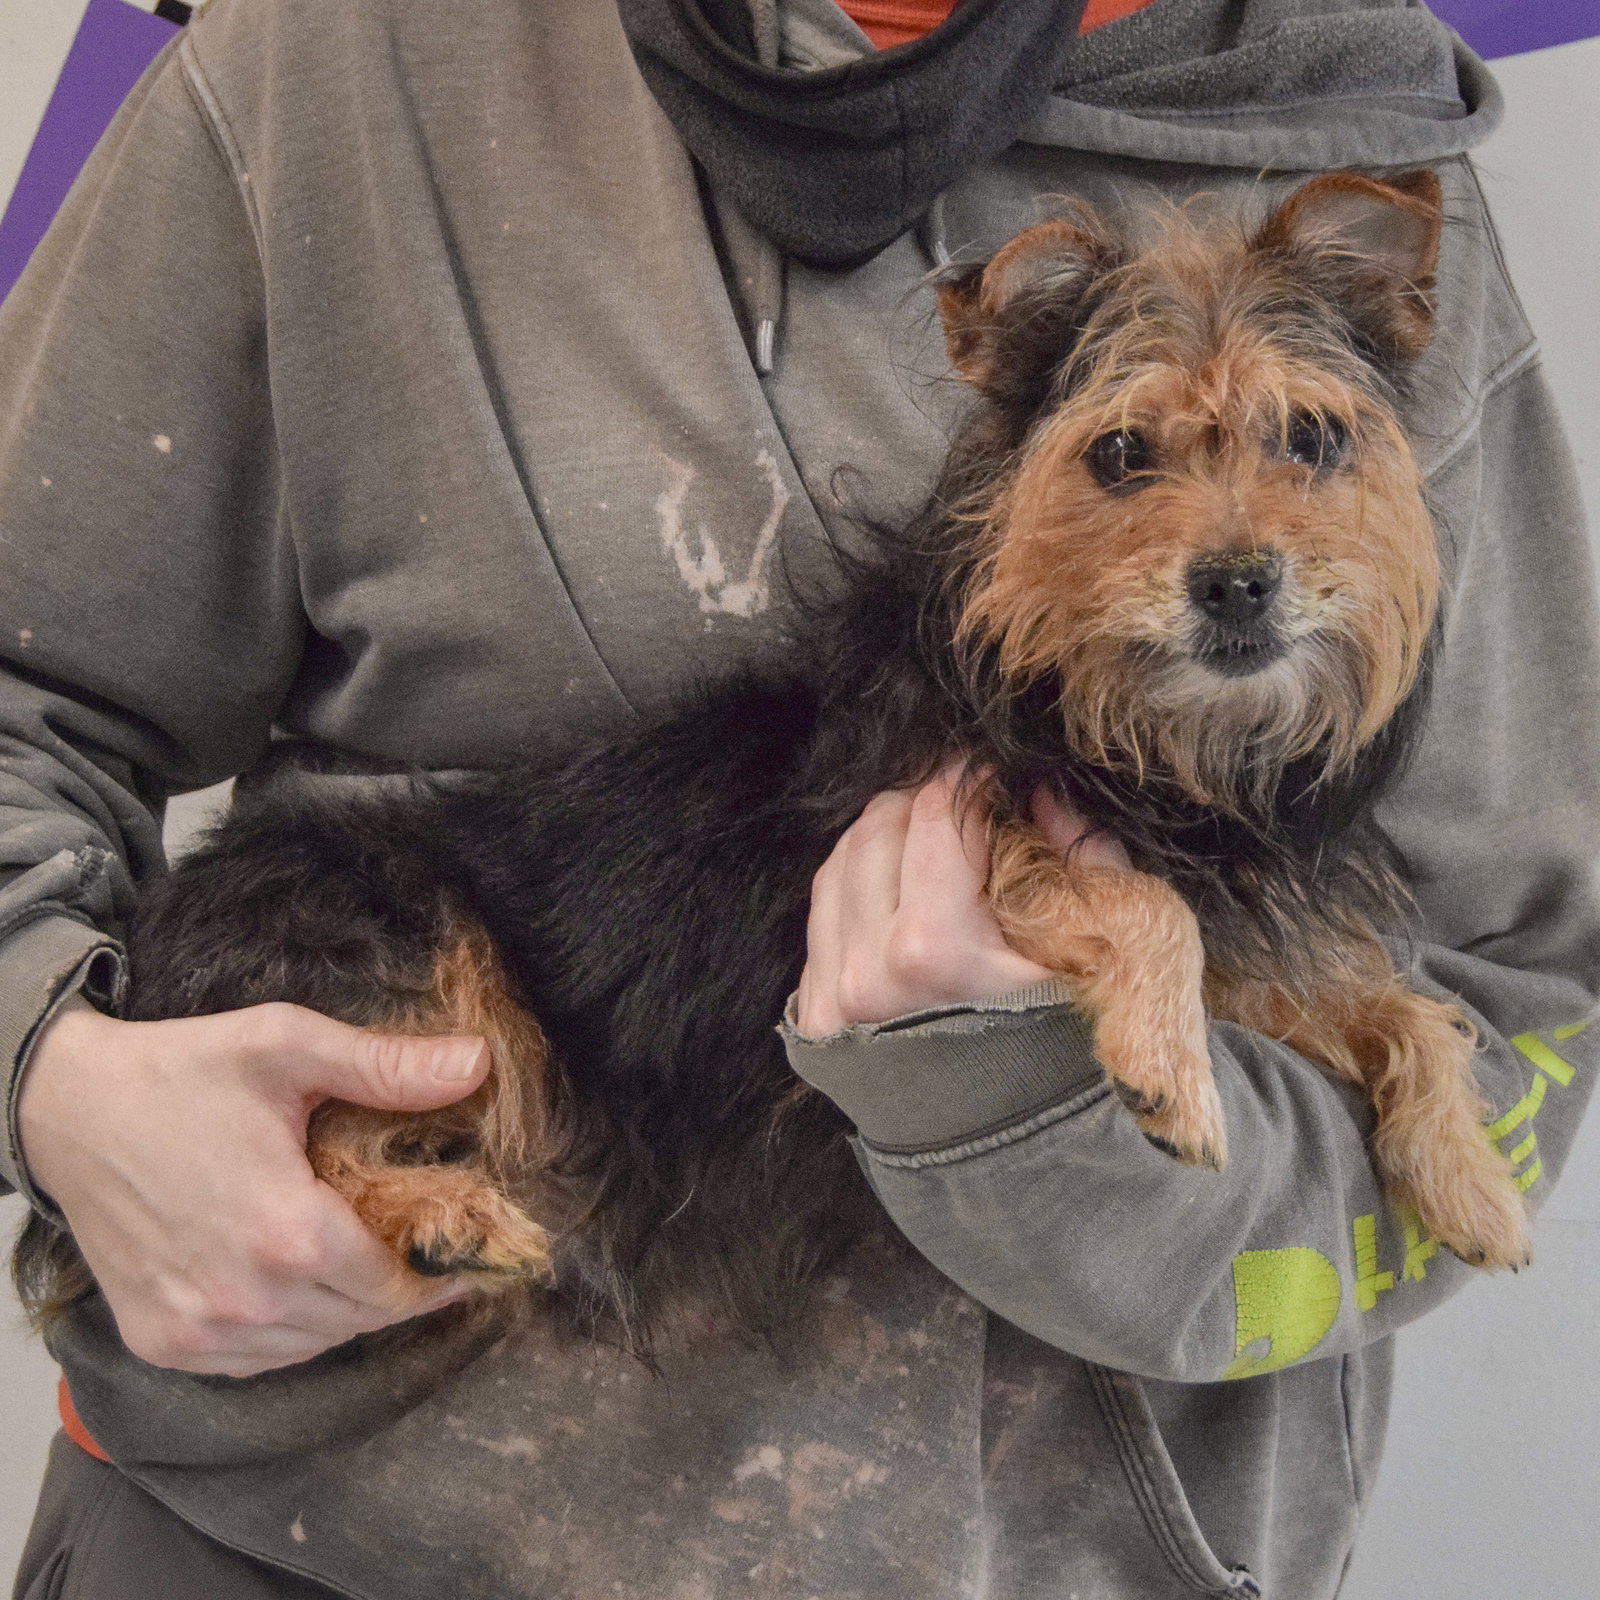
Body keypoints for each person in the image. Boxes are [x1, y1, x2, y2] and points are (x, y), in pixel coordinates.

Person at [3, 0, 1596, 1595]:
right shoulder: (326, 75)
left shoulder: (1364, 164)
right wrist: (49, 1070)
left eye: (1307, 445)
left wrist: (1054, 1125)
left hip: (1045, 1564)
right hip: (300, 1526)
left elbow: (1515, 973)